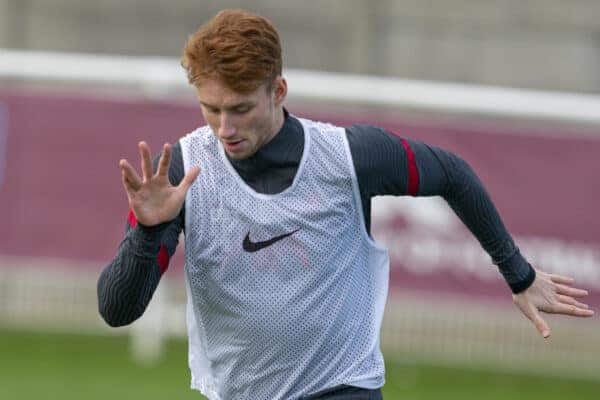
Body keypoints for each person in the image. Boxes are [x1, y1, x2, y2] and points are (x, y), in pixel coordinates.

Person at [97, 8, 594, 400]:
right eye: (212, 109)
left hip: (342, 388)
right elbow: (117, 311)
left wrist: (518, 274)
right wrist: (146, 233)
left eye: (241, 108)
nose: (225, 128)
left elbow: (451, 173)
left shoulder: (347, 157)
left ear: (279, 91)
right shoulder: (184, 172)